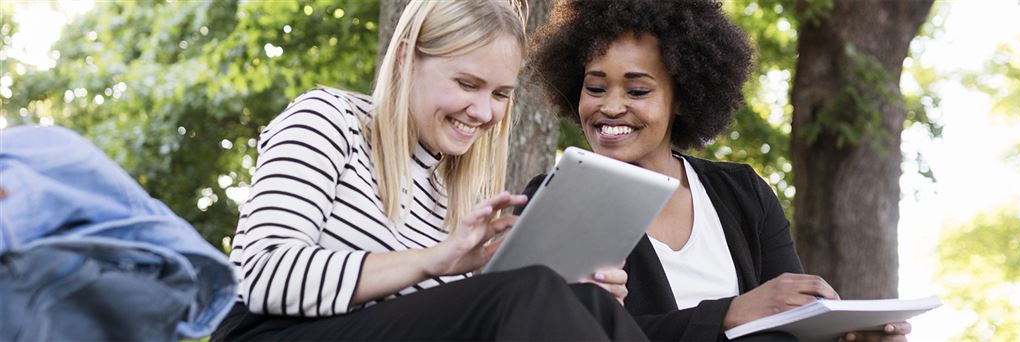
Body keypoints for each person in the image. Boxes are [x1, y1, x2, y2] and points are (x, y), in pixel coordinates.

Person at [212, 1, 645, 340]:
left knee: (593, 304)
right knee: (530, 291)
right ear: (405, 58)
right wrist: (433, 262)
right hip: (272, 332)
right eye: (467, 84)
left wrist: (569, 299)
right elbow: (264, 276)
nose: (482, 111)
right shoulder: (328, 118)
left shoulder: (456, 194)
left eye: (499, 94)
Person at [524, 1, 912, 341]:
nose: (609, 107)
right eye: (595, 88)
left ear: (682, 97)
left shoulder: (743, 194)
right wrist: (728, 313)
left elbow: (790, 324)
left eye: (637, 91)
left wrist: (847, 338)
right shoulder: (555, 200)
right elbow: (555, 332)